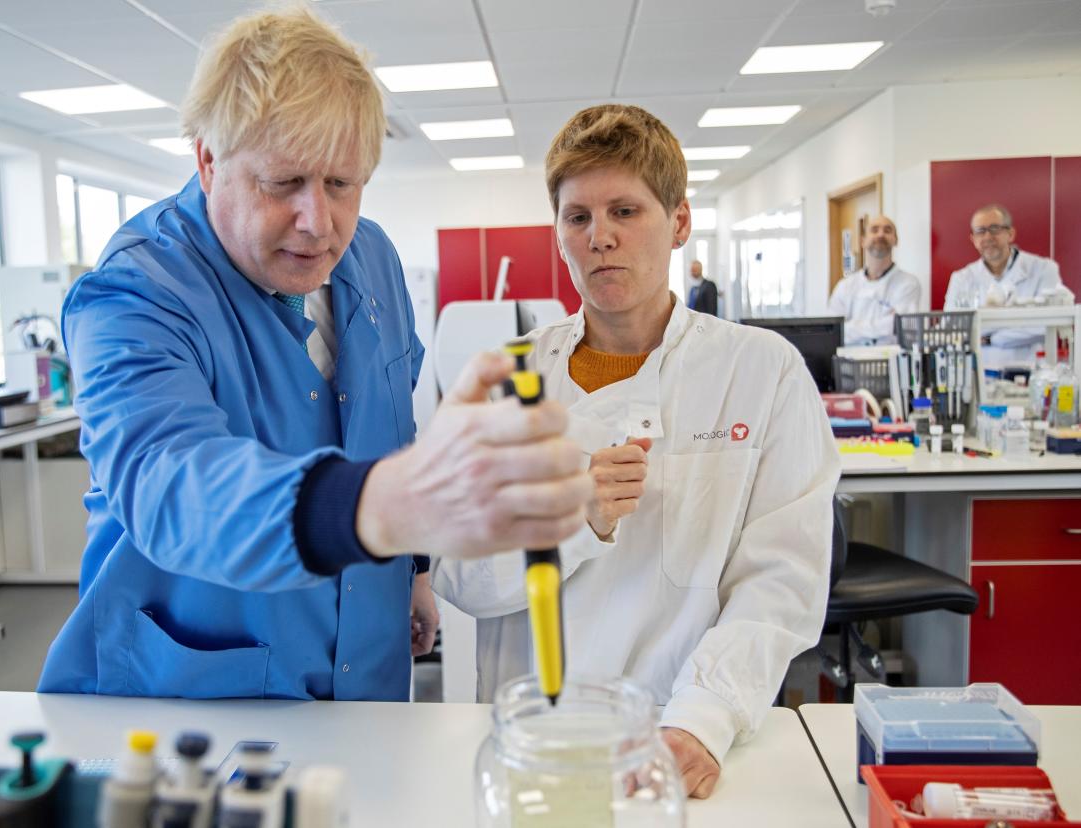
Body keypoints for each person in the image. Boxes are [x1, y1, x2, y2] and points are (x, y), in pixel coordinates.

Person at [37, 8, 591, 702]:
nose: (318, 222)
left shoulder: (375, 260)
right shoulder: (135, 293)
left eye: (341, 184)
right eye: (284, 183)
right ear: (209, 161)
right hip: (194, 697)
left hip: (367, 672)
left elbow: (391, 429)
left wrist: (413, 568)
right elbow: (168, 481)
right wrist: (387, 508)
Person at [432, 104, 840, 799]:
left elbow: (781, 580)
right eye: (579, 217)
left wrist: (701, 720)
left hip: (685, 733)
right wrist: (571, 518)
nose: (601, 239)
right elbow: (459, 576)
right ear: (559, 232)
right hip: (535, 735)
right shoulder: (507, 378)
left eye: (626, 211)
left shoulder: (759, 371)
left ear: (678, 222)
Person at [944, 204, 1064, 366]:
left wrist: (988, 337)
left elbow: (1044, 327)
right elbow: (952, 330)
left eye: (995, 229)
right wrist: (1019, 322)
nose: (987, 237)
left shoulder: (1043, 269)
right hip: (979, 372)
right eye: (980, 231)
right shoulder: (961, 278)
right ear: (973, 239)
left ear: (1010, 234)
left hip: (1030, 370)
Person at [826, 215, 921, 345]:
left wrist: (850, 327)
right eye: (874, 230)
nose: (881, 234)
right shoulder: (845, 286)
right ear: (862, 241)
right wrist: (884, 323)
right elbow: (833, 331)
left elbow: (900, 325)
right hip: (848, 362)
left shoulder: (909, 284)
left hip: (890, 363)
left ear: (895, 240)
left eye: (887, 230)